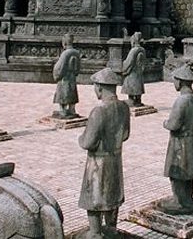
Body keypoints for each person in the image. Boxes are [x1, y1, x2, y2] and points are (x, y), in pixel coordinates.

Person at [79, 67, 131, 237]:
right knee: (112, 194)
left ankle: (95, 233)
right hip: (115, 159)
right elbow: (125, 135)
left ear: (99, 87)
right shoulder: (124, 107)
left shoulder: (99, 111)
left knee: (94, 197)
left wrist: (81, 138)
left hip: (98, 163)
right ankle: (111, 228)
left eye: (95, 87)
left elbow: (88, 142)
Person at [160, 65, 193, 215]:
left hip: (179, 142)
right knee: (189, 171)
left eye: (175, 80)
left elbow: (174, 124)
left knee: (177, 172)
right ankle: (188, 198)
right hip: (192, 139)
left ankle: (178, 201)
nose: (174, 84)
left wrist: (165, 123)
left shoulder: (181, 101)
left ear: (180, 81)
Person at [52, 33, 80, 119]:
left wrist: (56, 75)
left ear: (64, 43)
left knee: (63, 93)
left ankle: (63, 110)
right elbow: (78, 67)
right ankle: (72, 109)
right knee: (72, 91)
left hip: (64, 77)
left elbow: (60, 66)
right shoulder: (76, 52)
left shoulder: (65, 53)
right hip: (72, 77)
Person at [121, 31, 146, 107]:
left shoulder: (133, 51)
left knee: (132, 85)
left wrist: (124, 66)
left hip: (132, 72)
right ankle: (138, 100)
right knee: (138, 85)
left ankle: (131, 100)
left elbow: (129, 62)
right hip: (139, 72)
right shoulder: (142, 49)